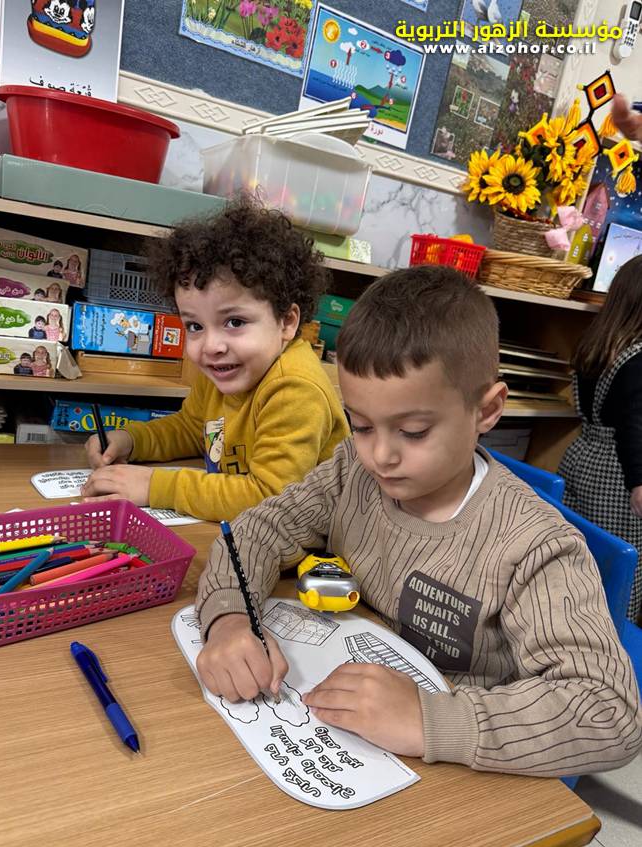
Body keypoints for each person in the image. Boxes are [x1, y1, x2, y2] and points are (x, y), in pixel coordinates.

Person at [194, 266, 641, 777]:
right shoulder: (351, 470)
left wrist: (431, 719)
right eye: (361, 425)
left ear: (487, 410)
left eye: (412, 431)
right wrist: (229, 619)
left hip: (456, 769)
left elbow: (610, 713)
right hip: (345, 723)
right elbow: (256, 531)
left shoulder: (533, 546)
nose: (380, 456)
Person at [81, 197, 350, 521]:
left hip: (314, 538)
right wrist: (131, 440)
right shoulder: (224, 370)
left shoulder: (295, 389)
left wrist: (154, 485)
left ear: (286, 322)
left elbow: (271, 497)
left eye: (234, 322)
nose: (211, 346)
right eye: (195, 326)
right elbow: (192, 429)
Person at [558, 255, 642, 619]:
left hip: (583, 456)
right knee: (620, 566)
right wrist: (639, 483)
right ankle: (608, 631)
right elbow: (634, 424)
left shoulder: (598, 346)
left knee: (579, 553)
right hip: (617, 476)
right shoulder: (638, 358)